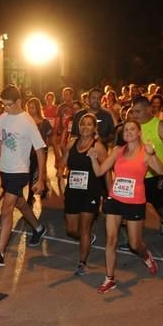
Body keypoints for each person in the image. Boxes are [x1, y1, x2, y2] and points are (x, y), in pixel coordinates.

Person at [90, 120, 163, 294]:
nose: (129, 132)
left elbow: (161, 172)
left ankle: (146, 255)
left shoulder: (145, 152)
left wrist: (153, 154)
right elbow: (100, 172)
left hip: (135, 202)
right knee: (111, 240)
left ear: (139, 133)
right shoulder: (117, 151)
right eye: (126, 130)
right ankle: (110, 278)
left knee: (135, 244)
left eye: (132, 129)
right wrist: (93, 158)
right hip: (115, 199)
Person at [0, 85, 49, 267]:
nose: (5, 108)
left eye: (8, 105)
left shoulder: (28, 122)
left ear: (18, 101)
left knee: (6, 209)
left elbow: (40, 150)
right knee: (20, 203)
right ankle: (39, 228)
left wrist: (41, 178)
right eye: (4, 105)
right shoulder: (3, 118)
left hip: (19, 171)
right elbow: (1, 141)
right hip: (4, 170)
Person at [126, 96, 163, 236]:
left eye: (138, 111)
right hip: (137, 175)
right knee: (135, 207)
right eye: (133, 111)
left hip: (155, 175)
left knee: (159, 205)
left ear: (149, 109)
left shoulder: (159, 125)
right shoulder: (132, 126)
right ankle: (134, 237)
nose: (134, 115)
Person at [62, 114, 106, 275]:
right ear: (78, 126)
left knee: (84, 228)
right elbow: (64, 163)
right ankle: (87, 240)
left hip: (91, 192)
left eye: (89, 124)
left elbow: (106, 170)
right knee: (72, 230)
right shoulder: (72, 143)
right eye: (83, 124)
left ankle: (82, 262)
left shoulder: (98, 147)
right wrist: (61, 169)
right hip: (73, 191)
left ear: (94, 128)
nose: (85, 127)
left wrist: (109, 193)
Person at [25, 97, 54, 205]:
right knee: (31, 172)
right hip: (29, 151)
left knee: (40, 170)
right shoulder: (26, 122)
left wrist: (53, 148)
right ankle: (39, 191)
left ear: (37, 108)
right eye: (28, 108)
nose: (30, 110)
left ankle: (32, 194)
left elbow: (51, 136)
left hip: (41, 151)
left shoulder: (44, 122)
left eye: (32, 107)